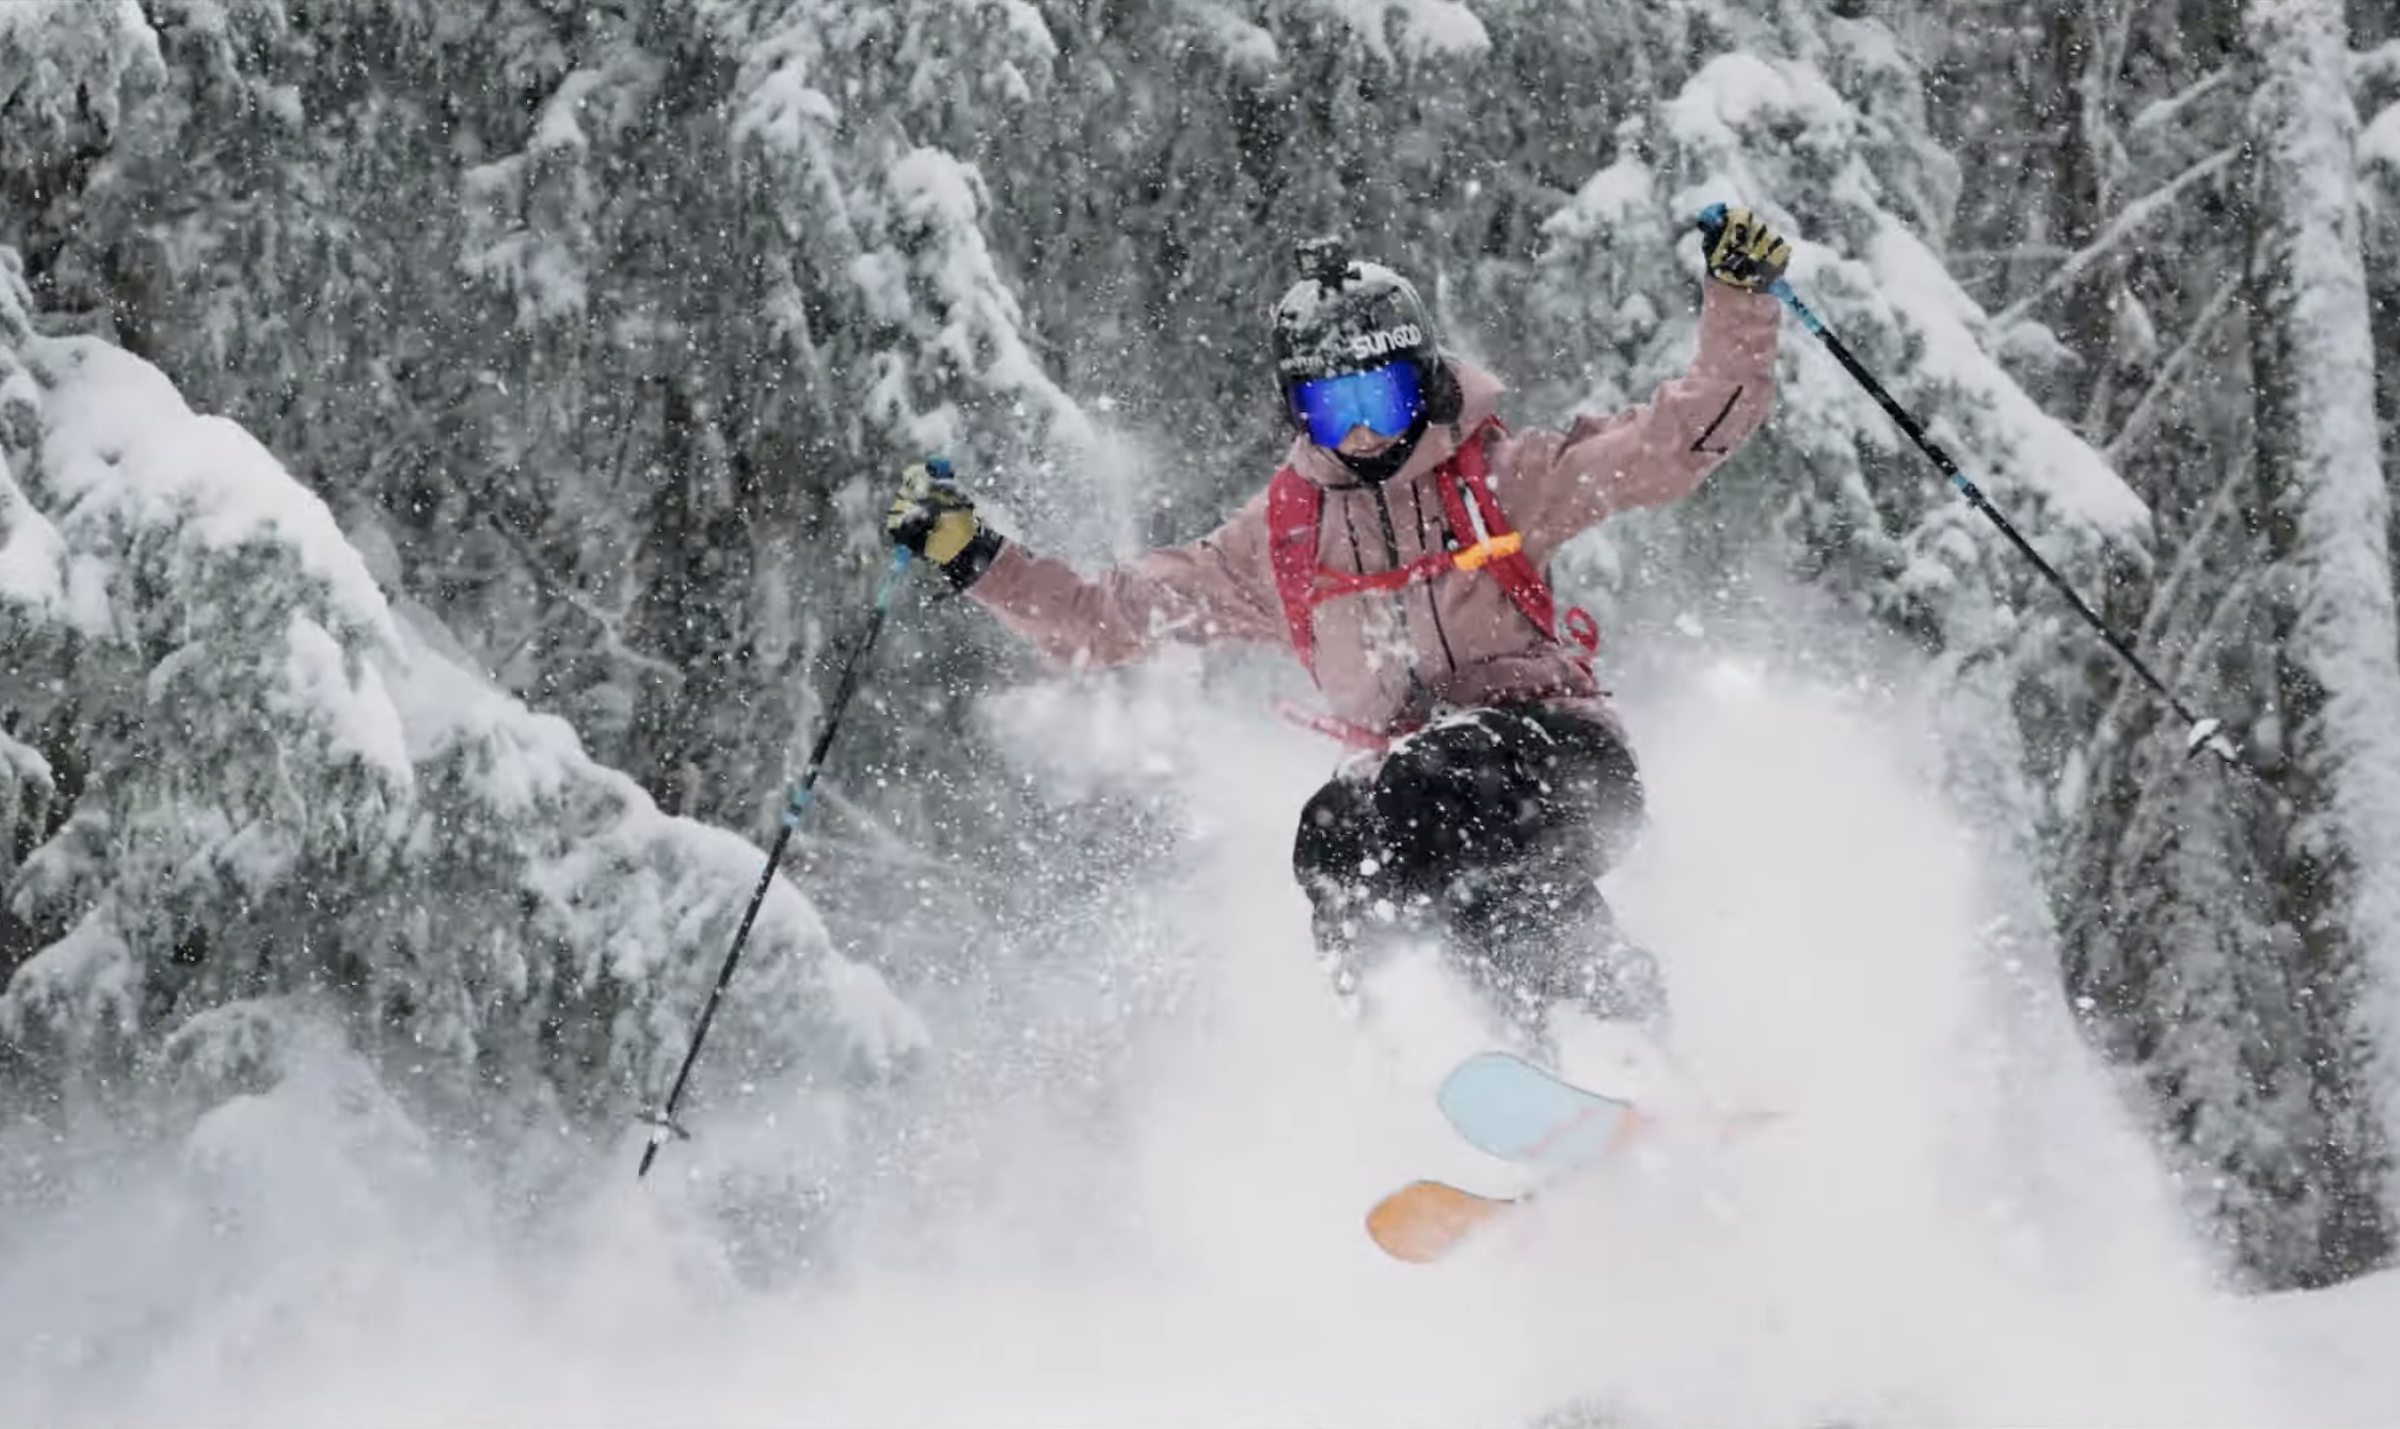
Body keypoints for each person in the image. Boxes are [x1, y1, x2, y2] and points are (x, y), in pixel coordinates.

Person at [887, 205, 1789, 1042]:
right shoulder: (1282, 543)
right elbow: (1105, 619)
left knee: (1436, 781)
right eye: (1333, 410)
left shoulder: (1503, 480)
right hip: (1416, 797)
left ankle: (1612, 1026)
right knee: (1337, 833)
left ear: (1425, 384)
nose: (1360, 436)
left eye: (1380, 401)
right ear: (1299, 414)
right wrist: (975, 558)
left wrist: (1738, 304)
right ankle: (1447, 1059)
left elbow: (1673, 447)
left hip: (1559, 765)